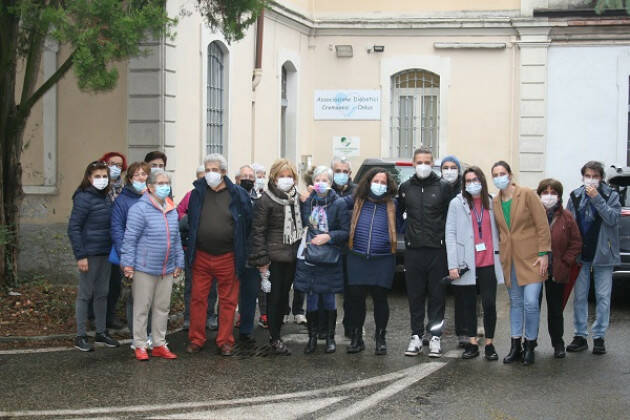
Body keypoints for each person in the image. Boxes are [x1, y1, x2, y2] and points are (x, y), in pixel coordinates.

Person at [185, 154, 252, 356]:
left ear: (223, 172)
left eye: (215, 170)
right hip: (202, 255)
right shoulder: (197, 193)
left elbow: (247, 223)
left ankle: (225, 341)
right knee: (197, 298)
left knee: (228, 301)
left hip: (228, 256)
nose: (210, 174)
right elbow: (191, 220)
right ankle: (196, 339)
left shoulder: (238, 194)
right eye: (208, 170)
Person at [121, 169, 184, 361]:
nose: (165, 187)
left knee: (162, 307)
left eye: (167, 183)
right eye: (160, 183)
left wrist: (179, 261)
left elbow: (176, 239)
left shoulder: (171, 209)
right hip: (144, 267)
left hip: (166, 267)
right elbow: (130, 238)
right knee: (142, 307)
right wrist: (128, 264)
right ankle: (140, 344)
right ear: (150, 187)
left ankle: (159, 343)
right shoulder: (139, 209)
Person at [491, 160, 550, 366]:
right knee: (516, 303)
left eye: (502, 173)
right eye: (495, 174)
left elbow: (542, 225)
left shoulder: (526, 194)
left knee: (531, 303)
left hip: (533, 258)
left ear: (510, 174)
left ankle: (530, 345)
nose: (499, 177)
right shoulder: (496, 201)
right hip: (510, 260)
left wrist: (544, 253)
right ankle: (515, 345)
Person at [446, 166, 504, 361]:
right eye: (468, 181)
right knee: (468, 305)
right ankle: (472, 343)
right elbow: (450, 233)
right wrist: (452, 264)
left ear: (482, 181)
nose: (472, 184)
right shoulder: (457, 203)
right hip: (466, 262)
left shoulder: (493, 201)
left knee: (488, 304)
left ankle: (489, 343)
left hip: (488, 261)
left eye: (475, 180)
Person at [399, 145, 451, 358]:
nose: (423, 166)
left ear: (433, 163)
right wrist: (407, 234)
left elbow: (450, 218)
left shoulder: (443, 187)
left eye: (427, 162)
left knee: (437, 296)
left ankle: (435, 337)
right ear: (413, 164)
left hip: (437, 250)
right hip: (413, 252)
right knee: (415, 296)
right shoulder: (405, 187)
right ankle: (416, 336)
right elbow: (398, 214)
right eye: (419, 162)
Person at [249, 159, 303, 355]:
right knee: (274, 298)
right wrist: (262, 261)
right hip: (273, 258)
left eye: (289, 176)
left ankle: (277, 332)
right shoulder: (266, 200)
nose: (286, 180)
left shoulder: (296, 198)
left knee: (283, 300)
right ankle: (274, 338)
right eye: (282, 176)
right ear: (274, 177)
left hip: (291, 255)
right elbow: (258, 231)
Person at [566, 161, 620, 355]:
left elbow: (613, 218)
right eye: (588, 176)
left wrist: (597, 199)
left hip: (604, 254)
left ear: (601, 178)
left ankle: (599, 337)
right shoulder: (575, 195)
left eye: (595, 176)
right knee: (580, 296)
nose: (591, 179)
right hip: (581, 254)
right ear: (583, 177)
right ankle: (580, 335)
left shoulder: (611, 195)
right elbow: (568, 224)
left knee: (603, 297)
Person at [294, 166, 349, 354]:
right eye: (318, 179)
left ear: (331, 183)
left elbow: (346, 231)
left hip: (330, 257)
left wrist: (329, 237)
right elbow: (302, 223)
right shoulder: (308, 202)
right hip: (310, 257)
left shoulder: (339, 203)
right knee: (311, 297)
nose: (321, 183)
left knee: (328, 297)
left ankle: (330, 338)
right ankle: (312, 338)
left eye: (325, 180)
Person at [345, 168, 400, 355]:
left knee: (380, 300)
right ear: (368, 183)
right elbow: (333, 202)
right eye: (376, 181)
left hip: (383, 259)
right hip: (357, 257)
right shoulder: (356, 200)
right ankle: (356, 338)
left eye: (383, 182)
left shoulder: (394, 205)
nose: (379, 185)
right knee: (356, 300)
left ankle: (380, 337)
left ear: (388, 185)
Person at [67, 161, 120, 352]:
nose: (102, 180)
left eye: (104, 176)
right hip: (89, 254)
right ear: (89, 178)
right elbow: (73, 228)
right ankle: (80, 335)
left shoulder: (105, 196)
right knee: (85, 295)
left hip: (105, 253)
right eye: (97, 176)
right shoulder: (83, 197)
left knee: (102, 294)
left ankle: (101, 332)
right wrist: (80, 255)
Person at [536, 178, 582, 358]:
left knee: (555, 310)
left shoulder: (567, 217)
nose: (549, 196)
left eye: (553, 193)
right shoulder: (532, 214)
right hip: (536, 270)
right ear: (539, 195)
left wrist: (566, 261)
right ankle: (530, 342)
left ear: (559, 196)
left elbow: (576, 242)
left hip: (557, 271)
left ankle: (558, 343)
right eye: (545, 193)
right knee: (533, 308)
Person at [110, 161, 150, 341]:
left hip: (153, 255)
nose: (141, 177)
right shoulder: (122, 201)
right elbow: (117, 230)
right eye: (137, 175)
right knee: (136, 298)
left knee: (152, 299)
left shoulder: (155, 197)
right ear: (130, 179)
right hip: (132, 255)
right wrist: (124, 256)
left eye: (144, 174)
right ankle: (138, 337)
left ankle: (151, 335)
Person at [177, 165, 218, 332]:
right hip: (192, 250)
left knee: (212, 288)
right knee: (191, 286)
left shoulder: (219, 197)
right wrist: (191, 220)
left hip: (213, 250)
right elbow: (179, 215)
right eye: (202, 177)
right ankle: (189, 317)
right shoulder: (190, 196)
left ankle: (210, 315)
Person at [96, 151, 127, 330]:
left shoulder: (125, 188)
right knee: (99, 282)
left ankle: (110, 316)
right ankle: (95, 317)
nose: (115, 167)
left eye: (118, 165)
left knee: (115, 282)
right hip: (101, 240)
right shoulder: (98, 187)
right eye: (111, 163)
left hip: (118, 241)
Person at [440, 155, 467, 347]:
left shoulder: (465, 191)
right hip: (439, 247)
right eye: (445, 167)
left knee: (463, 292)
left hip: (461, 248)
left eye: (453, 167)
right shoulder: (437, 189)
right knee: (437, 292)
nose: (449, 171)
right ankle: (433, 331)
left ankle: (464, 332)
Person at [234, 164, 261, 343]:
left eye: (251, 177)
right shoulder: (229, 197)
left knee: (250, 294)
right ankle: (226, 330)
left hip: (252, 255)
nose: (248, 179)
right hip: (233, 253)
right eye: (245, 176)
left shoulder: (259, 199)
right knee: (229, 295)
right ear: (237, 179)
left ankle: (246, 329)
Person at [331, 156, 356, 338]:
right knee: (328, 290)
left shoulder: (357, 193)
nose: (341, 174)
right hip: (329, 247)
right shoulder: (325, 190)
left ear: (350, 174)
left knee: (350, 292)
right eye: (337, 171)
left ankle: (350, 326)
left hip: (350, 249)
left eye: (344, 171)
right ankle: (327, 329)